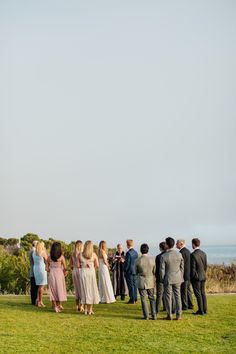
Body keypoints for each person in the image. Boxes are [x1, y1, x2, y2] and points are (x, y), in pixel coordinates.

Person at [160, 237, 184, 320]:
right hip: (178, 278)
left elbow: (162, 270)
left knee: (168, 297)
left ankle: (169, 315)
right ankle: (179, 315)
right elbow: (182, 267)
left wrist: (163, 279)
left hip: (168, 278)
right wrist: (181, 276)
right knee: (178, 297)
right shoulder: (179, 254)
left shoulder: (164, 256)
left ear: (167, 245)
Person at [135, 243, 156, 320]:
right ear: (148, 250)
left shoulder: (137, 260)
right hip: (150, 279)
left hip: (141, 280)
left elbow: (135, 271)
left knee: (143, 298)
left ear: (141, 251)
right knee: (152, 298)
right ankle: (154, 315)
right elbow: (154, 271)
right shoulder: (152, 259)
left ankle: (146, 315)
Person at [79, 240, 100, 315]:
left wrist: (84, 265)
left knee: (84, 290)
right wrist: (91, 266)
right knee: (91, 290)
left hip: (83, 272)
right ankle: (90, 309)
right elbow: (97, 265)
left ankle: (85, 309)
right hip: (91, 272)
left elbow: (78, 266)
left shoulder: (80, 255)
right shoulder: (94, 255)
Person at [47, 242, 67, 312]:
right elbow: (65, 267)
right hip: (59, 274)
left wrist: (51, 270)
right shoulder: (61, 257)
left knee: (53, 290)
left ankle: (55, 306)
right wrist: (65, 273)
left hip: (52, 274)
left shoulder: (49, 258)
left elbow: (46, 269)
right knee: (59, 290)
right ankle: (58, 306)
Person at [191, 238, 207, 315]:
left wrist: (193, 276)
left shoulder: (193, 255)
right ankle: (205, 309)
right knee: (203, 293)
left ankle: (201, 310)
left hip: (196, 278)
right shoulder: (204, 253)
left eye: (192, 244)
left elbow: (193, 268)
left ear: (193, 244)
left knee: (198, 294)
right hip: (203, 275)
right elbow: (205, 266)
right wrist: (203, 273)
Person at [176, 239, 193, 310]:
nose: (176, 245)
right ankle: (190, 304)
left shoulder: (181, 252)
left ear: (181, 244)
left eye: (177, 243)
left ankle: (185, 306)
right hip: (188, 274)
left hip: (183, 274)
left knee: (183, 291)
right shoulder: (188, 251)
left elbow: (180, 265)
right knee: (188, 290)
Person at [33, 240, 48, 307]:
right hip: (42, 269)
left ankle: (37, 300)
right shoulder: (43, 252)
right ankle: (40, 301)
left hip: (35, 269)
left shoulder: (34, 253)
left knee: (39, 286)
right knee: (41, 286)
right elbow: (47, 261)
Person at [70, 240, 84, 311]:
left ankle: (76, 305)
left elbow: (70, 265)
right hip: (80, 271)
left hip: (74, 271)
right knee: (81, 289)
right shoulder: (81, 254)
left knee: (76, 289)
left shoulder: (72, 253)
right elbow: (80, 264)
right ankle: (81, 306)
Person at [124, 239, 138, 304]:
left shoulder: (128, 253)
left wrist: (124, 270)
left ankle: (132, 299)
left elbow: (127, 264)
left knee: (130, 286)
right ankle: (135, 298)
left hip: (129, 271)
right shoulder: (136, 252)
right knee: (134, 285)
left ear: (127, 244)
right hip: (135, 271)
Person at [155, 241, 167, 314]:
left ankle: (156, 309)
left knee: (159, 294)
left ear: (160, 248)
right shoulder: (168, 255)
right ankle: (165, 307)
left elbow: (157, 268)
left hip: (160, 278)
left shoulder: (159, 257)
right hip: (168, 277)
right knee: (167, 294)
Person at [29, 240, 39, 305]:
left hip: (32, 269)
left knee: (33, 286)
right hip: (34, 269)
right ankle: (35, 300)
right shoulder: (34, 251)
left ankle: (33, 300)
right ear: (35, 244)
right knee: (35, 286)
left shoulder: (30, 250)